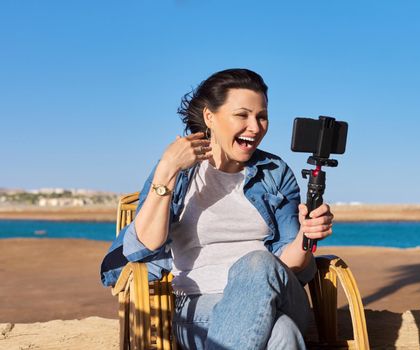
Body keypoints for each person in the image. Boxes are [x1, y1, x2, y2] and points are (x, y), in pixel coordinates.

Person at [101, 68, 334, 349]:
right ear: (210, 117)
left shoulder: (275, 172)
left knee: (258, 263)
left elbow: (292, 264)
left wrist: (305, 237)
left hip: (280, 293)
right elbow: (145, 245)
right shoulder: (181, 172)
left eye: (262, 117)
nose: (256, 127)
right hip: (199, 306)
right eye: (242, 115)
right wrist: (167, 170)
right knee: (282, 332)